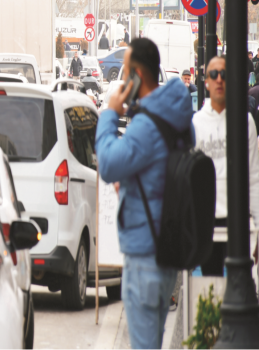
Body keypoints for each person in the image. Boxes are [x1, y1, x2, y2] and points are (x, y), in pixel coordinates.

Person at [95, 38, 193, 349]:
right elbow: (159, 171)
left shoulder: (146, 125)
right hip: (165, 247)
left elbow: (108, 164)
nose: (122, 80)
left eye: (125, 72)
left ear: (137, 74)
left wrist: (110, 114)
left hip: (145, 254)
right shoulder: (175, 116)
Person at [192, 56, 259, 276]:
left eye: (224, 74)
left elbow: (254, 176)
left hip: (238, 221)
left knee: (239, 284)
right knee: (210, 288)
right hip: (206, 222)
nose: (219, 79)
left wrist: (257, 226)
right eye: (213, 74)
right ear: (206, 82)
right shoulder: (196, 124)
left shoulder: (245, 122)